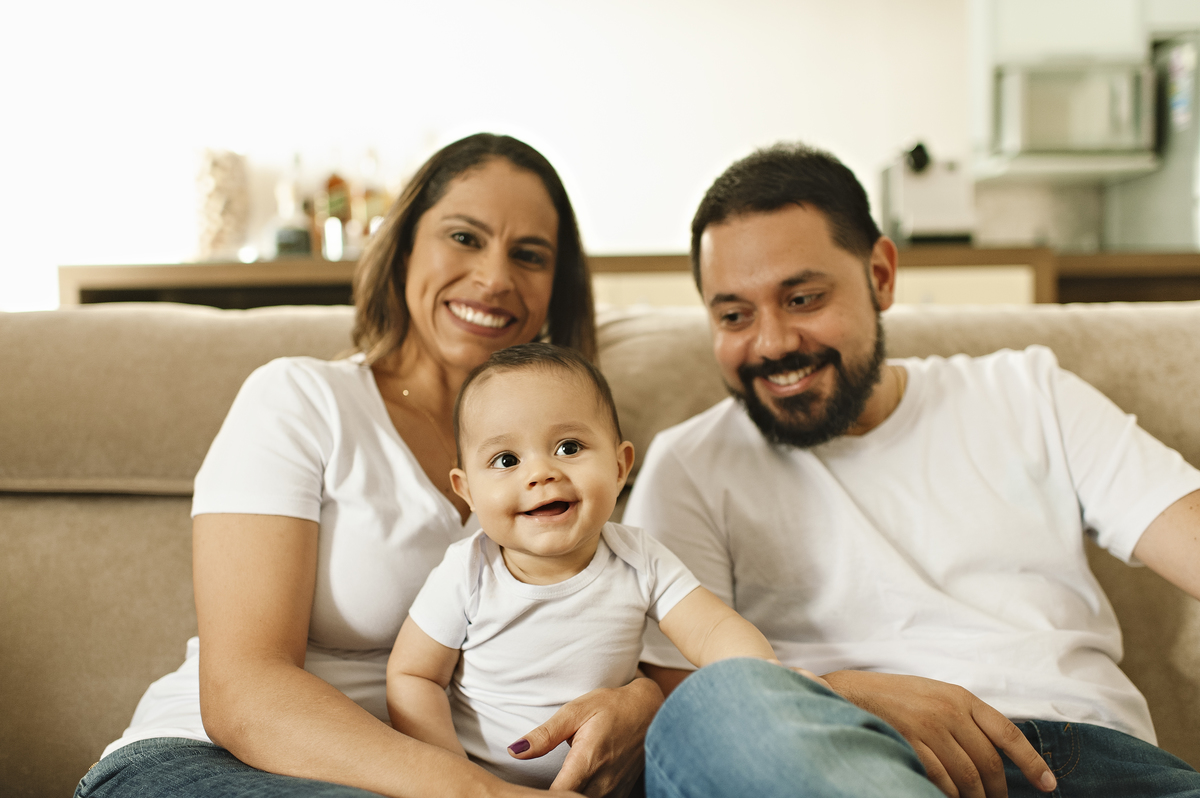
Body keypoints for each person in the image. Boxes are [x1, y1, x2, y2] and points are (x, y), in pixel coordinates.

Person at [75, 134, 660, 798]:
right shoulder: (299, 399)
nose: (496, 278)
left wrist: (644, 706)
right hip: (213, 763)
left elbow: (623, 629)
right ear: (405, 245)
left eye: (529, 255)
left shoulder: (581, 454)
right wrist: (480, 794)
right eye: (465, 238)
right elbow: (243, 691)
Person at [626, 142, 1200, 798]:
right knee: (713, 707)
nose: (774, 342)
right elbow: (680, 690)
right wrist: (843, 698)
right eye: (734, 316)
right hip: (860, 765)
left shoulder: (1027, 393)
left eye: (804, 299)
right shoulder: (690, 467)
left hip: (1094, 765)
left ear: (881, 276)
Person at [386, 342, 806, 790]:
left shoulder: (639, 558)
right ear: (466, 490)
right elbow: (414, 675)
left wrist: (761, 675)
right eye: (506, 460)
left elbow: (710, 629)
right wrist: (457, 778)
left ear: (620, 466)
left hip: (621, 780)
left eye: (569, 447)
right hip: (491, 785)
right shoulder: (468, 572)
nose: (541, 473)